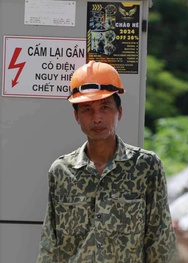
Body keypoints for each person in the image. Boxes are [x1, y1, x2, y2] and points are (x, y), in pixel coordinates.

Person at [36, 61, 178, 263]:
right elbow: (49, 244)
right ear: (76, 116)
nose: (97, 118)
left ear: (119, 112)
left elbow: (160, 243)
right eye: (87, 110)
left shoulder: (146, 167)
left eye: (105, 107)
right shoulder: (61, 171)